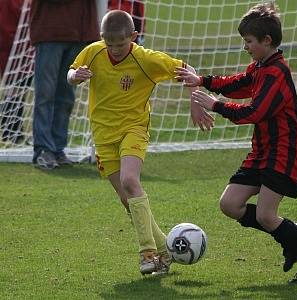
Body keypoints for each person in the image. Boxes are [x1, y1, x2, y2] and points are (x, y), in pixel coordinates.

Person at [175, 2, 297, 283]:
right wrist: (202, 80)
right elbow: (238, 84)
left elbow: (254, 112)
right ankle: (291, 233)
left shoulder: (276, 73)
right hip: (263, 150)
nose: (245, 46)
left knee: (266, 215)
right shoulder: (260, 67)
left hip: (285, 150)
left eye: (248, 41)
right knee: (230, 205)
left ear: (266, 40)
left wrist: (216, 105)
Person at [67, 10, 213, 275]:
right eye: (109, 44)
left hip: (133, 129)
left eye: (121, 44)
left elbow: (188, 71)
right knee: (126, 199)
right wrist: (74, 77)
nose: (114, 50)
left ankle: (147, 253)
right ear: (102, 39)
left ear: (134, 37)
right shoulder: (94, 52)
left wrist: (195, 103)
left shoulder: (146, 59)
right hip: (102, 135)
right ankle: (165, 252)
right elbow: (72, 71)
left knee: (130, 181)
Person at [30, 0, 99, 169]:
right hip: (50, 32)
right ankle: (44, 149)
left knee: (66, 97)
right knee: (46, 94)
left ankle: (58, 149)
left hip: (78, 33)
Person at [0, 0, 25, 143]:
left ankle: (14, 131)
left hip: (19, 46)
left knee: (18, 88)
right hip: (10, 46)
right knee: (14, 88)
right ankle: (10, 132)